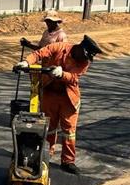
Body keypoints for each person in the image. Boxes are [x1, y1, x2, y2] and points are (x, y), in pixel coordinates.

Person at [14, 35, 102, 174]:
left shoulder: (84, 62)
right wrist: (26, 62)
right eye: (83, 56)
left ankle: (68, 161)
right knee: (48, 126)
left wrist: (61, 74)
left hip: (68, 97)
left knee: (69, 131)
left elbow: (73, 78)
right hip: (50, 93)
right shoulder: (60, 47)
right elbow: (40, 53)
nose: (83, 60)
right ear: (79, 47)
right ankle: (45, 155)